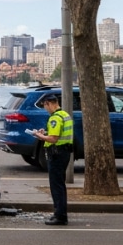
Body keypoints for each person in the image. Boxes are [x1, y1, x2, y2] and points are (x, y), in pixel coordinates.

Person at [32, 94, 73, 226]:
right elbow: (57, 134)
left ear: (49, 103)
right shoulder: (65, 115)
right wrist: (45, 134)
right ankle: (61, 213)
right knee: (60, 184)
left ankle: (60, 215)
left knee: (56, 186)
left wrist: (40, 136)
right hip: (64, 152)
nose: (45, 109)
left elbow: (53, 139)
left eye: (45, 106)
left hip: (56, 154)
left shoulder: (55, 118)